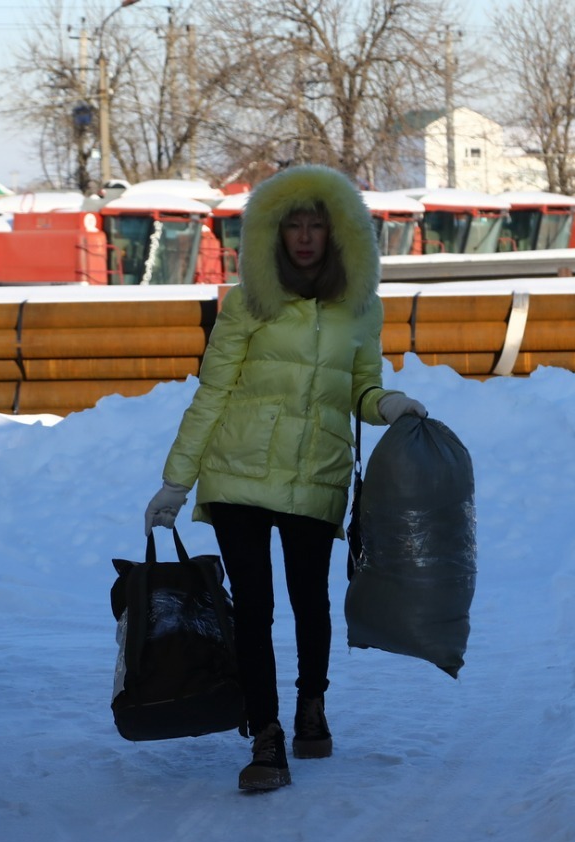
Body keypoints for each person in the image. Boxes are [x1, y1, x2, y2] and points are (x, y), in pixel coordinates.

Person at [144, 164, 426, 792]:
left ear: (338, 234)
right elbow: (212, 393)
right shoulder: (248, 302)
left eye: (315, 225)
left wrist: (391, 405)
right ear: (274, 232)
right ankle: (265, 735)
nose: (304, 237)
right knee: (255, 610)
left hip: (315, 474)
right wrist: (176, 482)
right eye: (292, 224)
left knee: (310, 602)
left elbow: (361, 390)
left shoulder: (360, 306)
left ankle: (311, 707)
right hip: (237, 474)